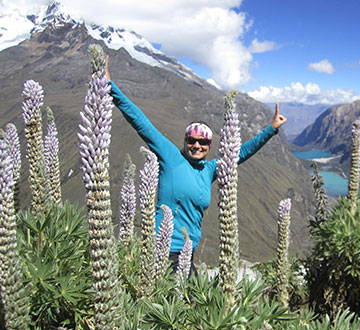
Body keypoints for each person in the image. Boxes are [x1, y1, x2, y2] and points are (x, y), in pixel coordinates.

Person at [105, 57, 287, 273]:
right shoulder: (170, 157)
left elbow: (239, 154)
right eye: (191, 140)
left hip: (187, 252)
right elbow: (141, 122)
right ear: (185, 141)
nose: (197, 145)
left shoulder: (209, 170)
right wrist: (110, 87)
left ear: (209, 146)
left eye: (203, 142)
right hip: (162, 250)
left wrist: (271, 129)